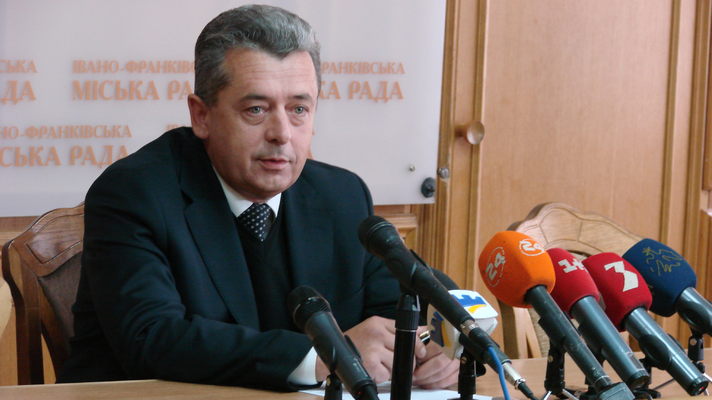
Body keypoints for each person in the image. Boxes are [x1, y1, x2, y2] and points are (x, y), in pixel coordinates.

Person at [58, 4, 458, 391]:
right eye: (256, 109)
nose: (281, 133)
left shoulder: (340, 196)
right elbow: (153, 337)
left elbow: (404, 304)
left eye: (299, 109)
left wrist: (430, 346)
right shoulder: (136, 193)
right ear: (201, 115)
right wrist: (324, 357)